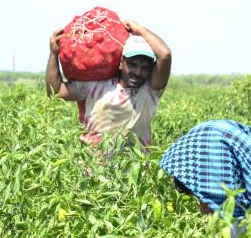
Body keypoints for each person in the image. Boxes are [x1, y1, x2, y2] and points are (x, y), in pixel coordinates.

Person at [46, 20, 172, 155]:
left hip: (134, 172)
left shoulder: (149, 92)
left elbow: (165, 55)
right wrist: (54, 54)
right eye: (133, 65)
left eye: (144, 68)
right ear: (121, 63)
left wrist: (137, 29)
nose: (137, 72)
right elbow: (56, 91)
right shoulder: (96, 86)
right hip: (92, 170)